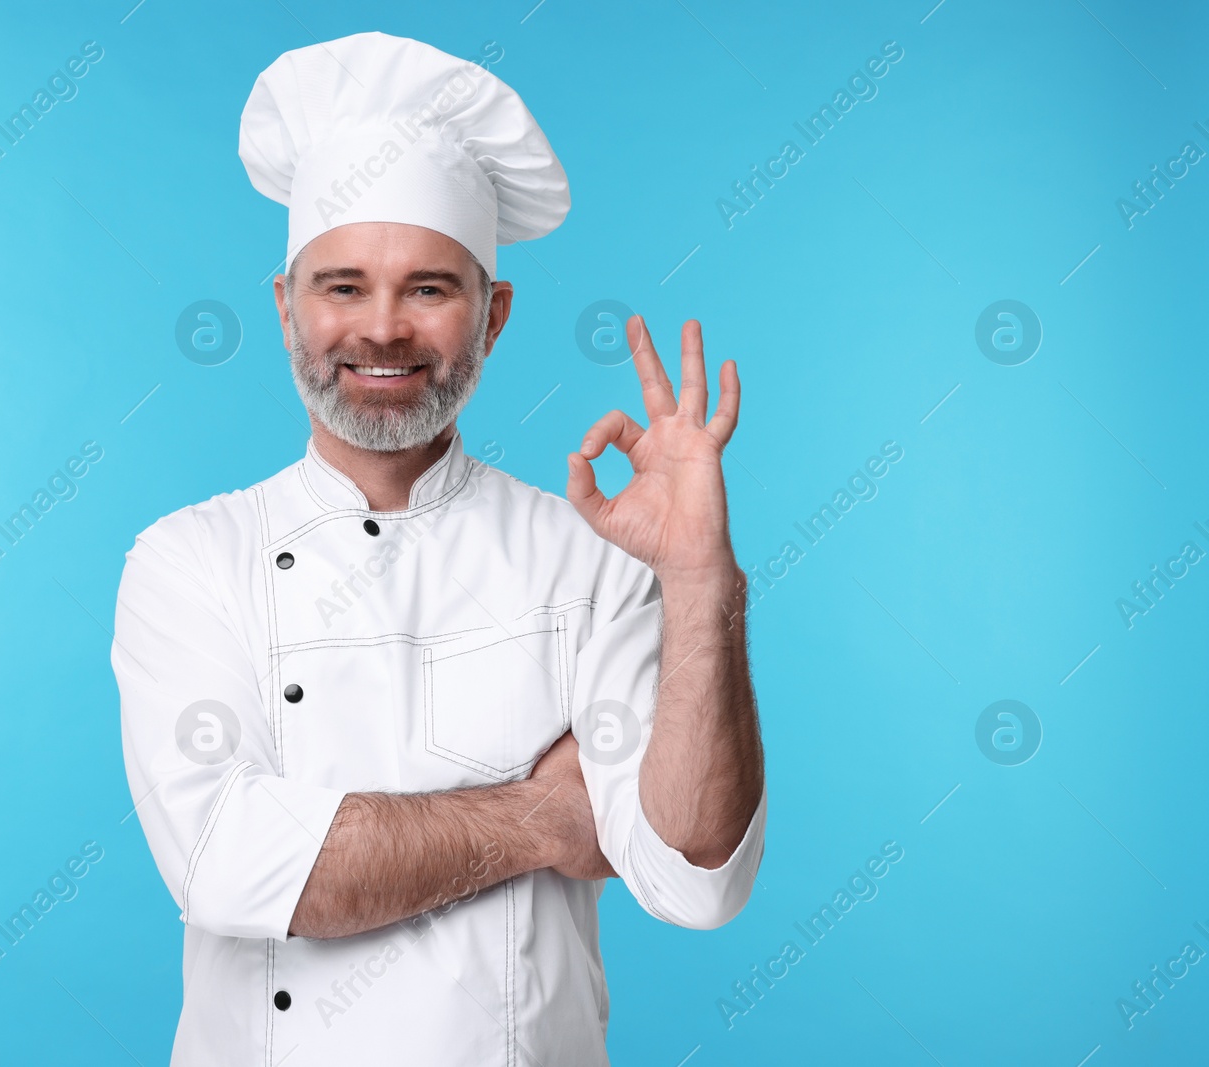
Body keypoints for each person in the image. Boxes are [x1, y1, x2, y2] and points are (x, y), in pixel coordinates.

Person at [111, 30, 766, 1066]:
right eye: (340, 286)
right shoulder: (188, 559)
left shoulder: (583, 553)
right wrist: (541, 818)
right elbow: (232, 865)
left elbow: (693, 872)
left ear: (493, 316)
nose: (381, 329)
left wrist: (698, 585)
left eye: (427, 288)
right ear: (286, 308)